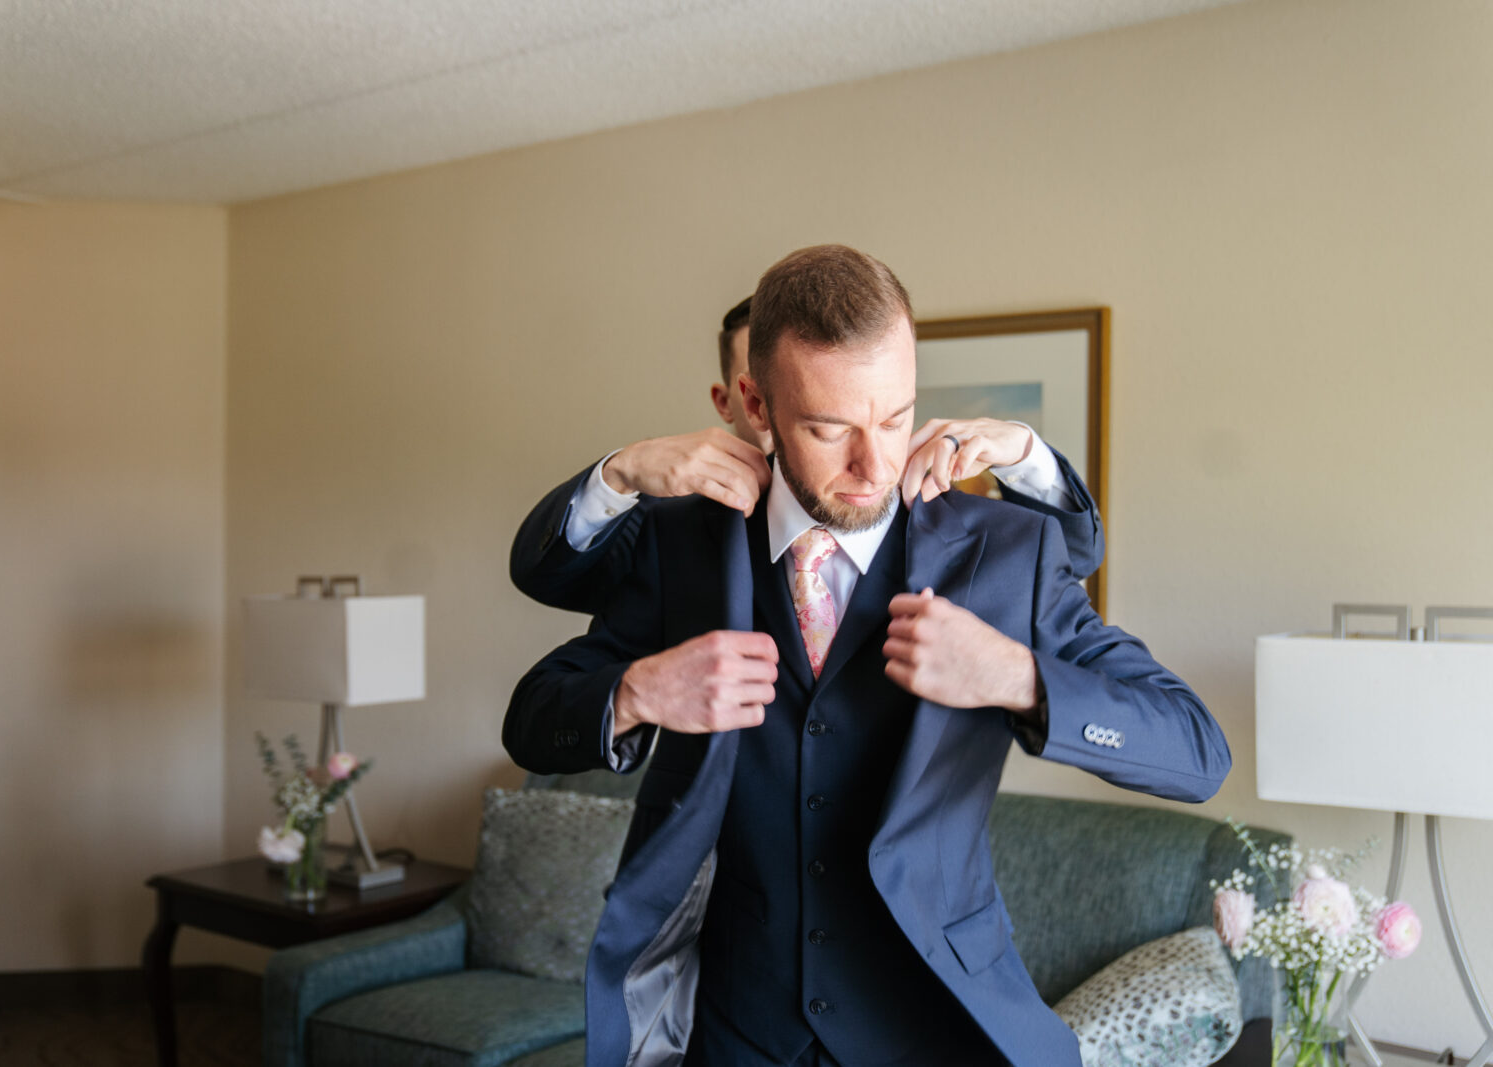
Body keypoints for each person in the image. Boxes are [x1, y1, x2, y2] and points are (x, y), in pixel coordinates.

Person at [503, 245, 1230, 1067]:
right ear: (755, 402)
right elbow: (530, 718)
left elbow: (1197, 752)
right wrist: (636, 691)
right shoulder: (682, 546)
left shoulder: (1004, 553)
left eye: (895, 417)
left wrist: (1015, 678)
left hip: (935, 1026)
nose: (873, 464)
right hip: (737, 1031)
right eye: (828, 427)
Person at [510, 298, 1103, 616]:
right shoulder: (673, 522)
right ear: (745, 400)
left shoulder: (907, 490)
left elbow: (1073, 556)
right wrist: (618, 473)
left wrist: (1025, 453)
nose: (862, 457)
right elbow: (549, 579)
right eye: (818, 419)